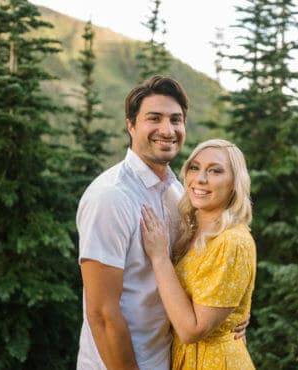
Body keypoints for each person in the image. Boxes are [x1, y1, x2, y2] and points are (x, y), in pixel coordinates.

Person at [76, 77, 247, 370]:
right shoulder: (111, 196)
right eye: (154, 118)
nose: (167, 130)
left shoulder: (177, 194)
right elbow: (101, 314)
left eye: (176, 120)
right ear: (131, 125)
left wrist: (226, 316)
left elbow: (196, 274)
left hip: (168, 359)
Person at [140, 139, 256, 369]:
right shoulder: (190, 229)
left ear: (235, 183)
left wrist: (160, 257)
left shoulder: (232, 241)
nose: (200, 179)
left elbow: (191, 330)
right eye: (195, 167)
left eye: (215, 171)